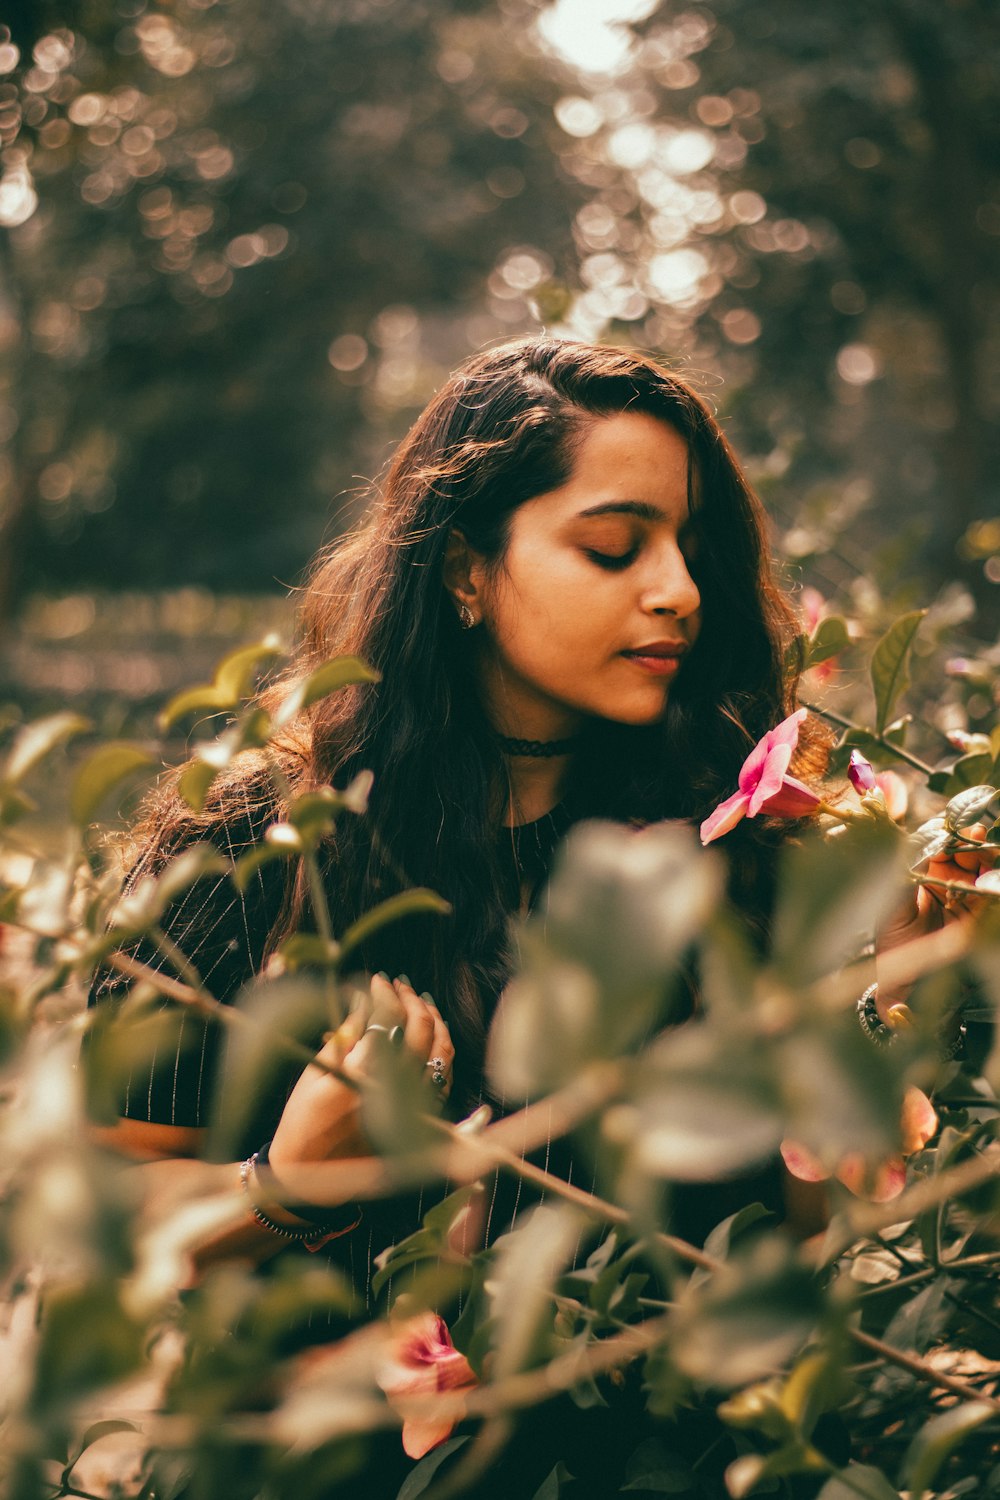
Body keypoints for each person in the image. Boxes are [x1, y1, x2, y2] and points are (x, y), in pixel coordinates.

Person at [85, 337, 975, 1490]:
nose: (680, 592)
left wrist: (890, 1005)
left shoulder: (741, 845)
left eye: (691, 548)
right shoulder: (261, 847)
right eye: (613, 547)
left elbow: (808, 1242)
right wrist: (291, 1185)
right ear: (462, 570)